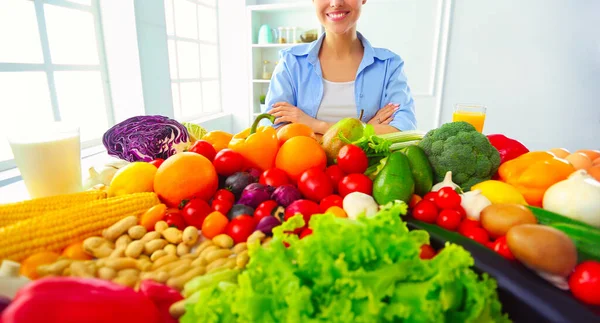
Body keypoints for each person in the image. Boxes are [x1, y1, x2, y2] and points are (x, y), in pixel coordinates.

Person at [264, 0, 417, 135]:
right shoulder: (291, 63)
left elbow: (402, 130)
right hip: (305, 168)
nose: (336, 2)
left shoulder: (390, 66)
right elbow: (274, 131)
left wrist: (317, 125)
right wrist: (366, 129)